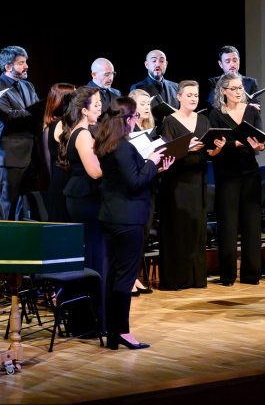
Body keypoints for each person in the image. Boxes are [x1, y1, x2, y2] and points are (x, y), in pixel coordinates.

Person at [93, 97, 173, 349]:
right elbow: (135, 182)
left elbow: (127, 178)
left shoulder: (105, 144)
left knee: (114, 275)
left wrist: (155, 170)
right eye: (135, 117)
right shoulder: (124, 147)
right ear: (127, 119)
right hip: (128, 219)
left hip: (111, 216)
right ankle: (122, 332)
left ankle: (111, 332)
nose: (136, 121)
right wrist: (150, 160)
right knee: (125, 278)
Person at [159, 80, 224, 290]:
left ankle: (196, 278)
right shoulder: (169, 121)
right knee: (178, 228)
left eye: (196, 95)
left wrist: (217, 149)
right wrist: (187, 147)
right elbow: (167, 153)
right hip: (177, 182)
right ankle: (177, 279)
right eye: (189, 95)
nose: (193, 99)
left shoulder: (203, 120)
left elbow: (208, 152)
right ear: (178, 97)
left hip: (198, 179)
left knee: (197, 227)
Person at [208, 72, 264, 286]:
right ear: (223, 91)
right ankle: (228, 275)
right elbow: (215, 143)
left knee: (251, 224)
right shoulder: (215, 114)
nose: (239, 92)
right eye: (234, 88)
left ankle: (251, 274)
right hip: (227, 174)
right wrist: (236, 144)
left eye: (241, 88)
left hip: (250, 172)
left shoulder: (252, 110)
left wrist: (260, 145)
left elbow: (258, 139)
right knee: (228, 225)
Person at [59, 86, 106, 331]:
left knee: (90, 256)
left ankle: (86, 317)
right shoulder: (84, 134)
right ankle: (89, 319)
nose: (100, 106)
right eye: (96, 103)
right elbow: (95, 171)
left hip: (82, 197)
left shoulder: (79, 131)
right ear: (83, 110)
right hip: (86, 199)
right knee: (93, 258)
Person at [0, 46, 41, 220]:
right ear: (8, 67)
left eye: (26, 62)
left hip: (30, 151)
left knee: (26, 203)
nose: (26, 66)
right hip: (11, 153)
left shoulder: (28, 85)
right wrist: (33, 113)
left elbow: (36, 110)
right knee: (7, 202)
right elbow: (7, 116)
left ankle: (22, 239)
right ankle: (0, 240)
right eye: (21, 63)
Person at [127, 88, 156, 295]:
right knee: (134, 236)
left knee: (144, 234)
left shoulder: (150, 129)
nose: (146, 107)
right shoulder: (128, 130)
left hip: (149, 186)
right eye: (142, 103)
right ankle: (130, 279)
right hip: (133, 188)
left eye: (148, 103)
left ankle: (135, 277)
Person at [42, 83, 76, 222]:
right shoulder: (60, 124)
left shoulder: (48, 126)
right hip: (65, 185)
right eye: (75, 97)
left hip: (58, 183)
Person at [130, 49, 180, 122]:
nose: (158, 64)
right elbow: (134, 117)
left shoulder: (176, 86)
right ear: (146, 65)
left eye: (162, 61)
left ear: (166, 64)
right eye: (154, 61)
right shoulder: (137, 88)